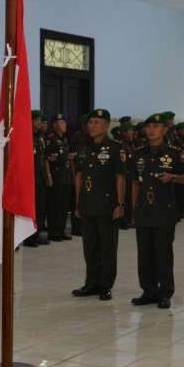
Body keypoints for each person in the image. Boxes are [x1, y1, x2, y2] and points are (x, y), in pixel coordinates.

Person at [130, 113, 184, 309]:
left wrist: (173, 177)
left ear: (165, 130)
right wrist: (133, 208)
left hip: (164, 210)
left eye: (156, 126)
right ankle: (148, 291)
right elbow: (135, 182)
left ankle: (165, 292)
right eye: (149, 126)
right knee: (144, 254)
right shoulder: (138, 153)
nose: (151, 130)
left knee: (163, 254)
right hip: (144, 210)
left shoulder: (175, 153)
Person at [72, 109, 126, 301]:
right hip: (87, 204)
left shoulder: (115, 148)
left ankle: (105, 285)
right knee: (90, 247)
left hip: (107, 206)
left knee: (107, 247)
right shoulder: (84, 147)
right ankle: (91, 283)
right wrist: (77, 202)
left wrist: (120, 203)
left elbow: (120, 177)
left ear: (106, 125)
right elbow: (79, 176)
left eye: (96, 122)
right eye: (90, 122)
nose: (92, 126)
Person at [24, 110, 52, 247]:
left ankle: (37, 234)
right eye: (37, 120)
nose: (40, 123)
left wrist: (47, 175)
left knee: (40, 208)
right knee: (31, 209)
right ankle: (29, 238)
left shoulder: (40, 137)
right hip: (29, 177)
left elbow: (43, 157)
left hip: (40, 176)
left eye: (40, 120)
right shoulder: (25, 136)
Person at [45, 114, 73, 242]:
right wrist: (49, 176)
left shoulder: (64, 139)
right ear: (55, 125)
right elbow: (48, 158)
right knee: (55, 205)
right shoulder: (51, 139)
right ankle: (53, 232)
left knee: (64, 205)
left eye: (64, 122)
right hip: (56, 176)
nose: (64, 125)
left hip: (65, 176)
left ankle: (61, 230)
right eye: (61, 123)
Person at [119, 122, 136, 229]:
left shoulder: (131, 144)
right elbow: (123, 162)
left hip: (132, 174)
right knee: (125, 198)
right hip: (126, 175)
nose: (132, 132)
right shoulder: (122, 145)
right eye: (130, 131)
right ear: (124, 133)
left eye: (132, 130)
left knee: (130, 198)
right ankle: (123, 221)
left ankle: (129, 219)